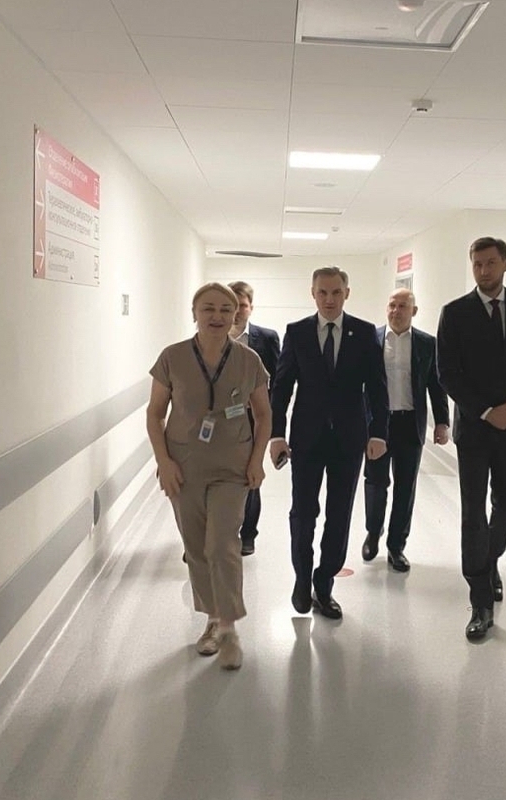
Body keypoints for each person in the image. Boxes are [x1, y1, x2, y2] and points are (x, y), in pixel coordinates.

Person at [146, 282, 272, 670]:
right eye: (208, 308)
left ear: (236, 314)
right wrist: (164, 461)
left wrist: (256, 460)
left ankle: (228, 627)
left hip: (232, 467)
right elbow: (155, 413)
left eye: (225, 309)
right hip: (184, 467)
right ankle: (212, 618)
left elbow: (263, 414)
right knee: (197, 547)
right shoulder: (172, 357)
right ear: (194, 313)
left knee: (222, 544)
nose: (217, 316)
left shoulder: (249, 360)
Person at [436, 237, 506, 641]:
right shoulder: (455, 312)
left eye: (490, 263)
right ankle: (480, 600)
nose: (483, 271)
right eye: (477, 264)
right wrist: (486, 411)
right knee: (473, 512)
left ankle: (488, 559)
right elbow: (447, 373)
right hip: (474, 428)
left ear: (505, 264)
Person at [269, 267, 388, 620]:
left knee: (339, 514)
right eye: (322, 292)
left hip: (349, 440)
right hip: (306, 439)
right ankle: (302, 578)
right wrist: (276, 435)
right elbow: (281, 387)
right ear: (313, 293)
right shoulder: (297, 332)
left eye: (336, 292)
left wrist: (378, 432)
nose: (329, 299)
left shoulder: (364, 333)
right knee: (303, 512)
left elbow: (377, 387)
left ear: (347, 293)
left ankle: (324, 583)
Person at [362, 288, 450, 573]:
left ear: (414, 311)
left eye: (402, 306)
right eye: (392, 305)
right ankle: (373, 532)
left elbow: (436, 385)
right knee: (375, 482)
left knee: (405, 487)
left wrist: (442, 422)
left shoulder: (427, 343)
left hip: (410, 424)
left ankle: (396, 546)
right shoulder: (371, 340)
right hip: (377, 424)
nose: (396, 311)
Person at [228, 281, 281, 556]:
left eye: (243, 305)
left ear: (251, 307)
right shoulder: (211, 337)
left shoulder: (267, 338)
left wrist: (274, 425)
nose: (237, 311)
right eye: (232, 305)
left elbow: (279, 380)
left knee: (250, 474)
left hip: (252, 418)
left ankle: (248, 533)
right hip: (220, 421)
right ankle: (217, 533)